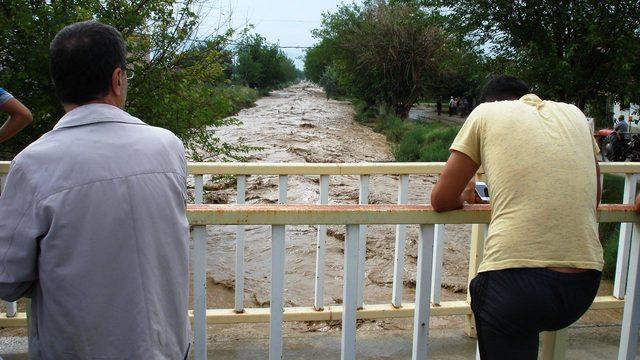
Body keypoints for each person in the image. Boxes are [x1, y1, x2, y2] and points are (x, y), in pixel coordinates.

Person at [0, 21, 190, 358]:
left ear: (59, 84)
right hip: (167, 348)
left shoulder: (33, 164)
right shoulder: (167, 147)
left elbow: (8, 280)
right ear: (118, 79)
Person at [431, 75, 602, 359]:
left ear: (491, 101)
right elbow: (594, 197)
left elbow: (440, 200)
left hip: (515, 289)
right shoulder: (575, 114)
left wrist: (465, 195)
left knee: (498, 303)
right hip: (583, 286)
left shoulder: (486, 113)